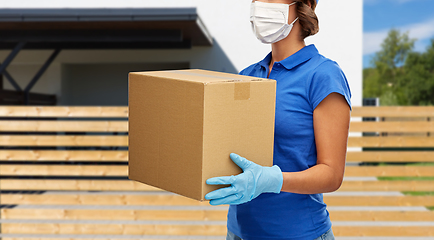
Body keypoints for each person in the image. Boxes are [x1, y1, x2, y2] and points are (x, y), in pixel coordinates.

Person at [204, 0, 352, 239]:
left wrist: (272, 180)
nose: (260, 4)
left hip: (299, 234)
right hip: (239, 232)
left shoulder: (323, 75)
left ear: (302, 5)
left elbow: (332, 175)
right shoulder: (247, 76)